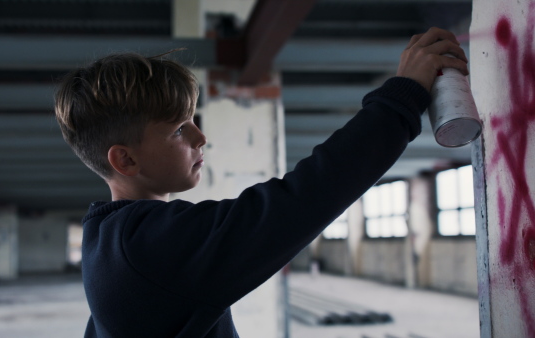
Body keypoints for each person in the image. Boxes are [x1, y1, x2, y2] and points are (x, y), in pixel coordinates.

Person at [54, 27, 468, 337]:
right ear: (125, 159)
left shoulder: (107, 239)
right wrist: (403, 96)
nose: (200, 137)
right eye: (180, 130)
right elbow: (303, 198)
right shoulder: (148, 246)